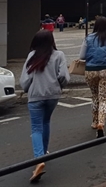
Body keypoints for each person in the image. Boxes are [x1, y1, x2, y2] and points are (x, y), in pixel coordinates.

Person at [20, 30, 70, 183]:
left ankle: (39, 159)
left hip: (36, 96)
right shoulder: (59, 55)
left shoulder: (32, 56)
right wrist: (58, 86)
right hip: (53, 95)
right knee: (46, 122)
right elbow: (64, 76)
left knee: (36, 128)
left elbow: (25, 79)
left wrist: (28, 88)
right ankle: (45, 152)